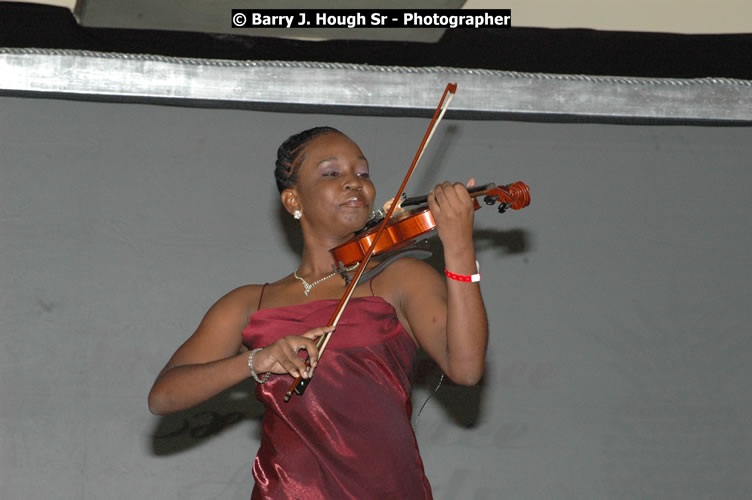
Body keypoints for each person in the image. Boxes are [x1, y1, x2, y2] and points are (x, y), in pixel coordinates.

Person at [148, 126, 489, 499]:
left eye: (362, 173)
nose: (353, 183)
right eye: (332, 173)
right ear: (293, 201)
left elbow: (467, 369)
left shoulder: (401, 279)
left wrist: (459, 249)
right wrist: (256, 361)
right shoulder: (250, 303)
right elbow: (164, 396)